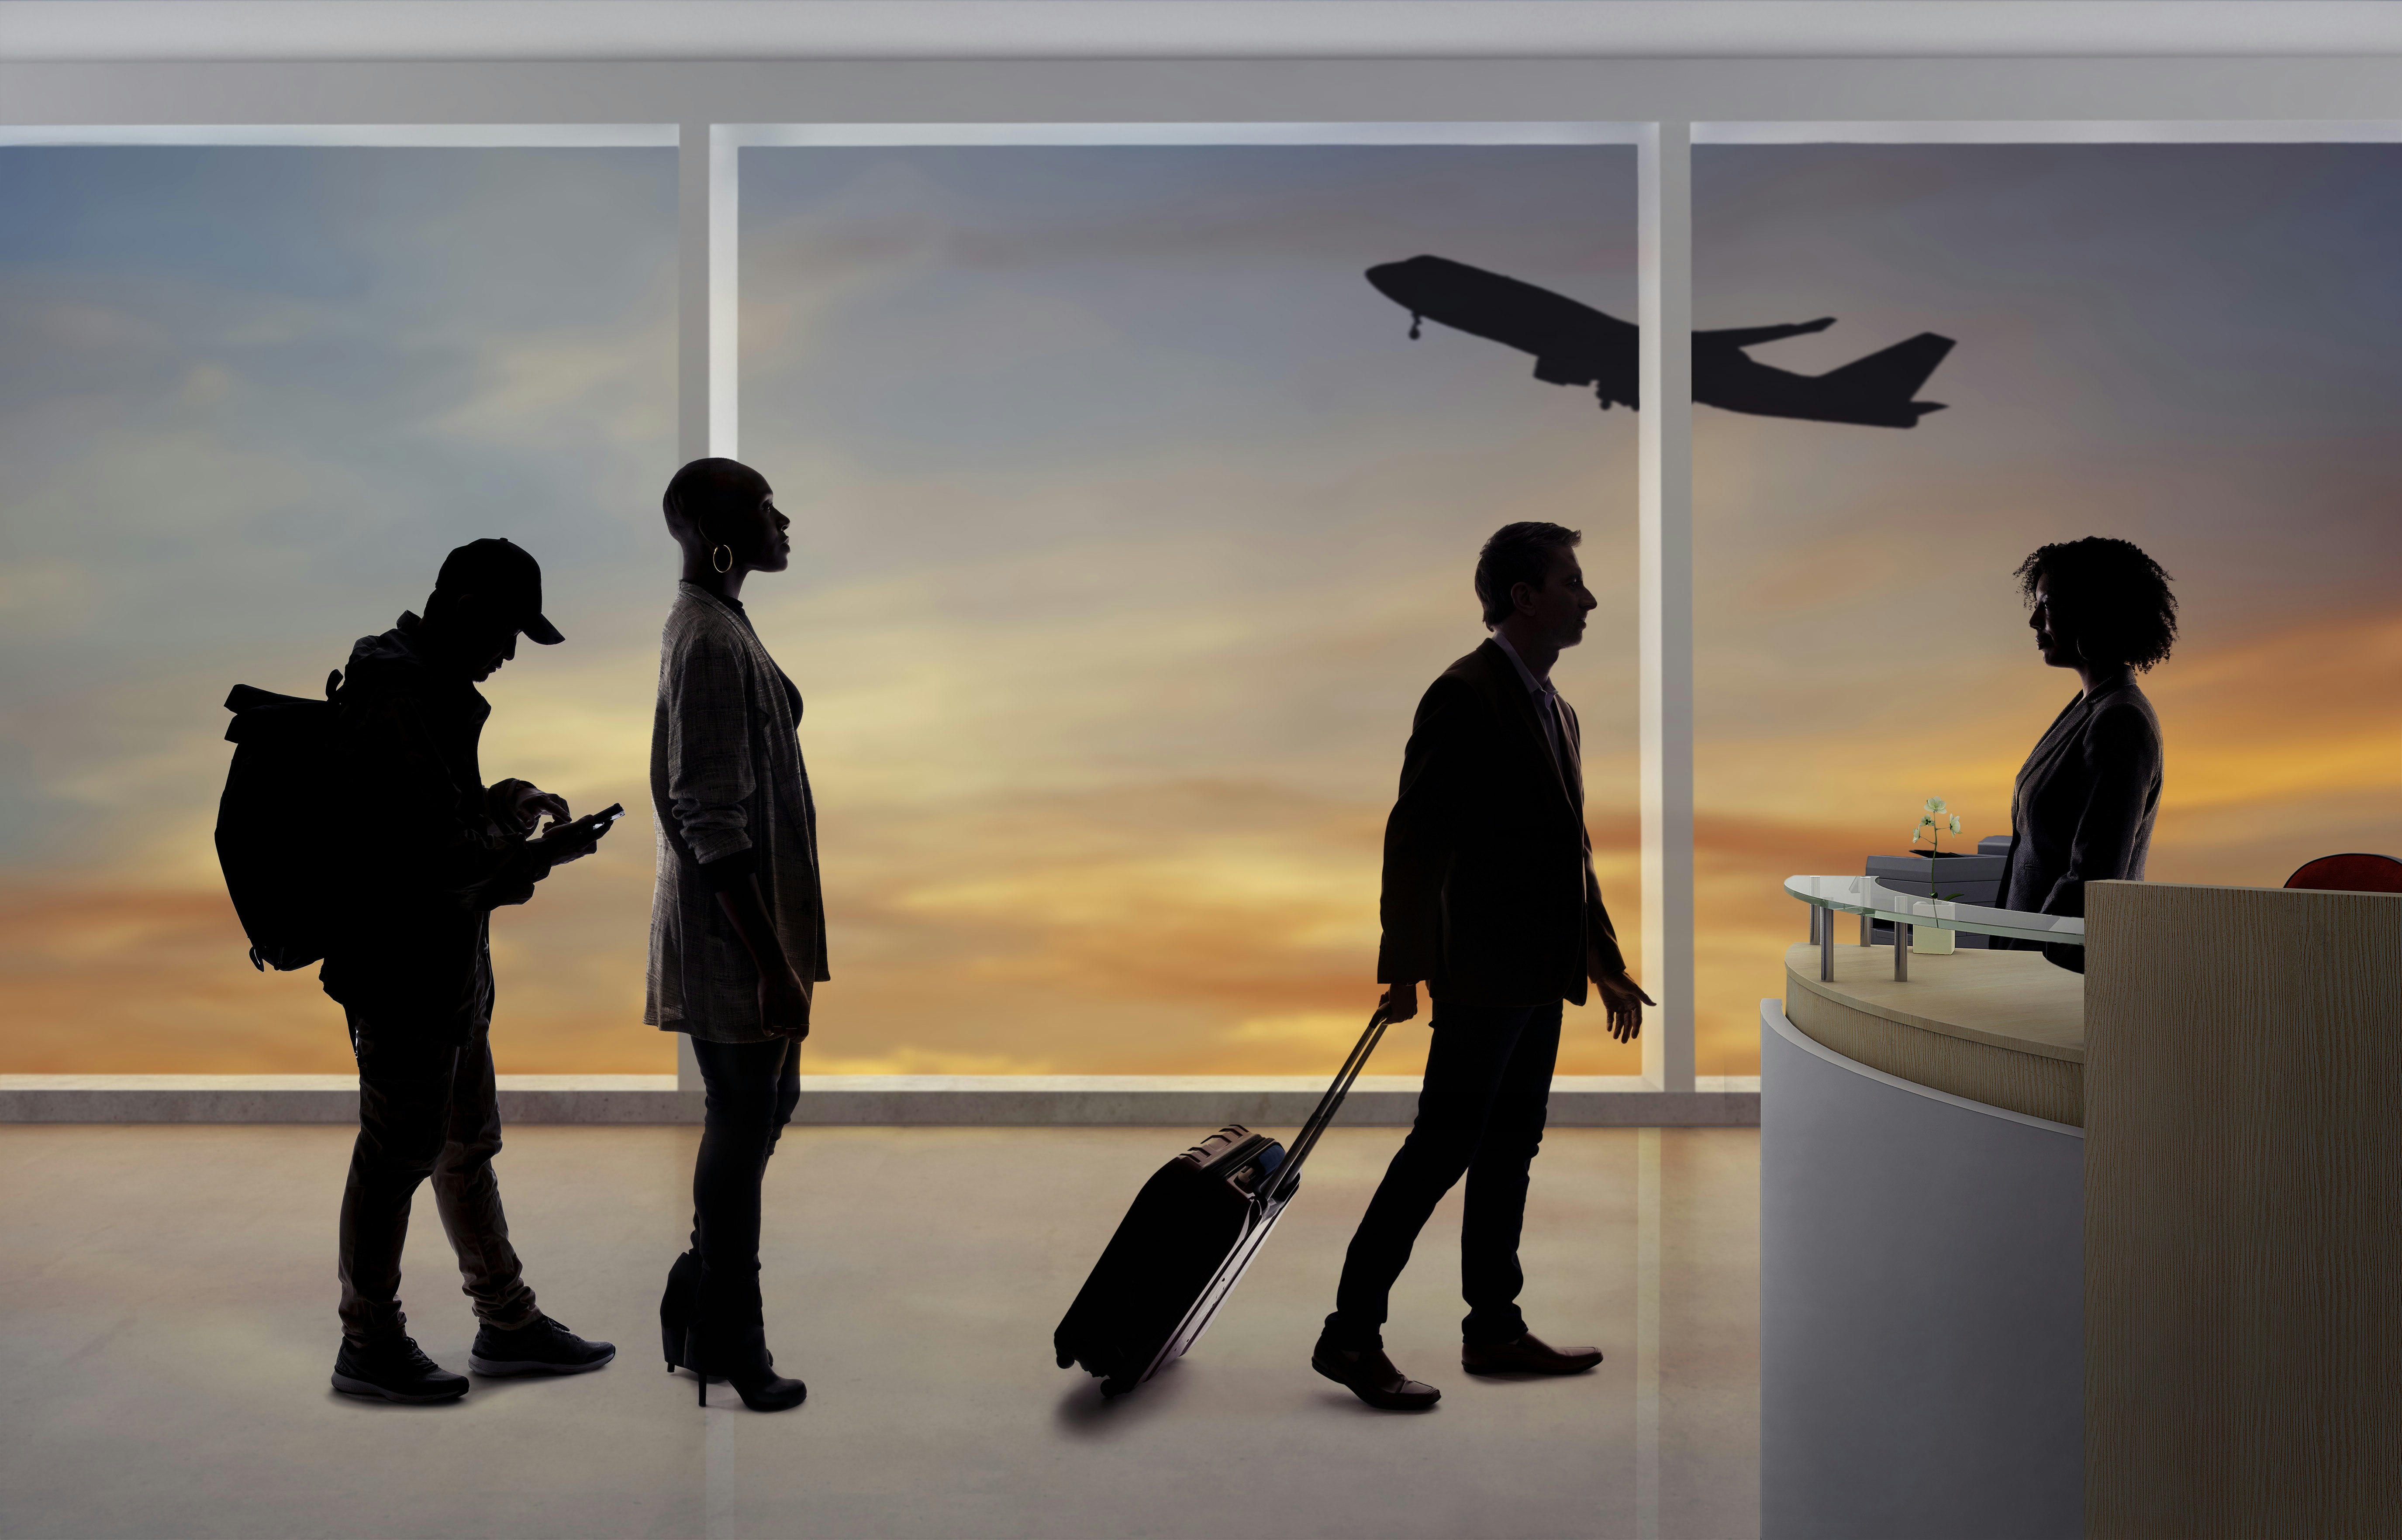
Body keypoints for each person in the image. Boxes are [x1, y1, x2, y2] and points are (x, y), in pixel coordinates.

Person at [1314, 521, 1654, 1412]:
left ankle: (1493, 1327)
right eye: (1571, 581)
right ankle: (1348, 1334)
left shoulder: (1555, 708)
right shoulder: (1463, 693)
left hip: (1536, 977)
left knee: (1507, 1150)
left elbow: (1566, 854)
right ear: (1523, 597)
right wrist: (1405, 966)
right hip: (1479, 977)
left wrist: (1603, 964)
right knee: (1440, 1150)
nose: (1587, 596)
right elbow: (1415, 840)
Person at [321, 537, 620, 1404]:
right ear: (462, 606)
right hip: (402, 973)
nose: (510, 651)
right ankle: (368, 1339)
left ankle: (507, 1318)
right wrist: (543, 850)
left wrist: (505, 804)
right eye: (506, 628)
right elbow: (440, 858)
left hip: (444, 969)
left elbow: (444, 828)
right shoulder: (399, 698)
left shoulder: (425, 692)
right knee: (397, 1154)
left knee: (463, 1142)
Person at [646, 458, 821, 1413]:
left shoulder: (718, 623)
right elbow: (707, 811)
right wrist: (770, 965)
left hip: (750, 929)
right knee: (742, 1116)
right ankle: (734, 1338)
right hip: (732, 938)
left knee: (759, 1111)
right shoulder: (708, 638)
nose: (782, 518)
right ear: (720, 533)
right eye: (764, 508)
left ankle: (699, 1297)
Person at [1997, 537, 2174, 974]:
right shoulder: (2092, 707)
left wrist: (2026, 965)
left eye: (2048, 605)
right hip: (2035, 971)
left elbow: (2092, 878)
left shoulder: (2120, 722)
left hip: (2059, 977)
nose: (2035, 620)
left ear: (2091, 610)